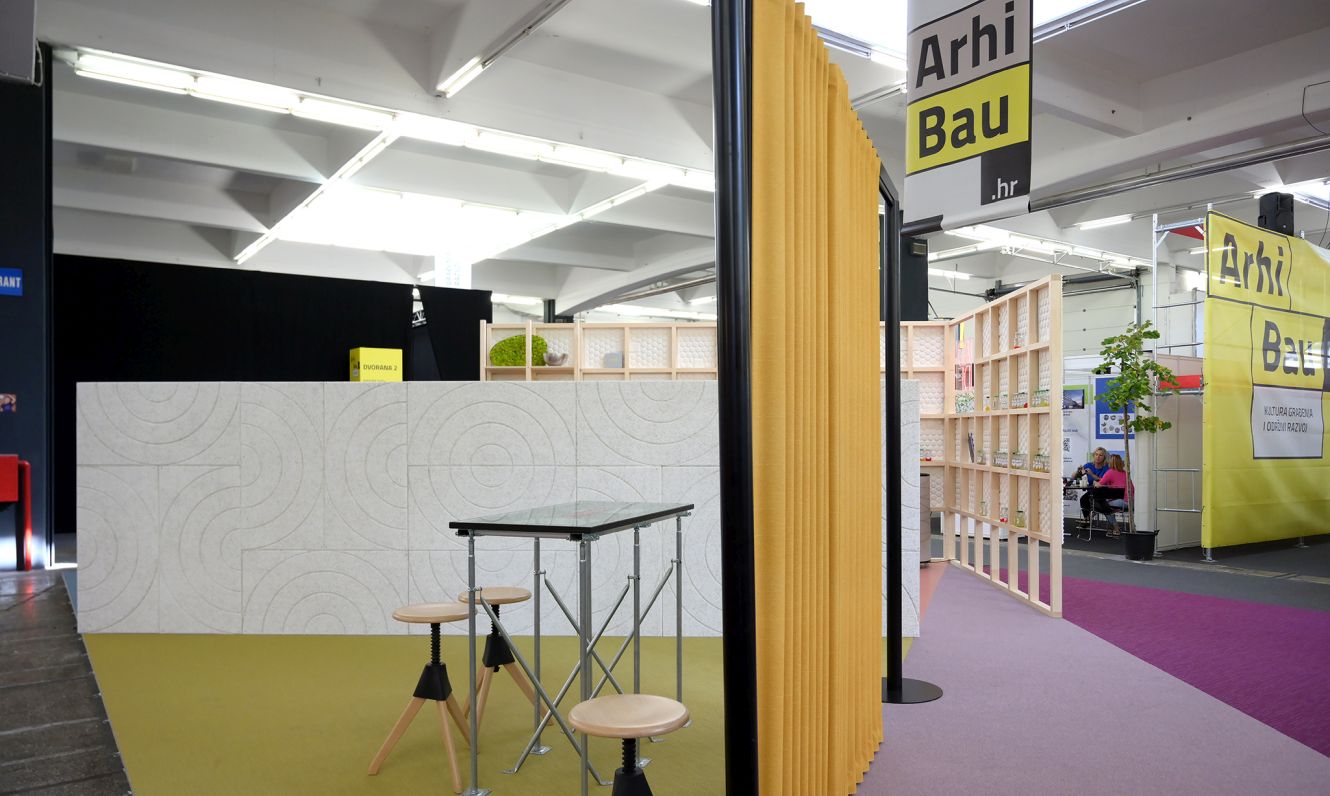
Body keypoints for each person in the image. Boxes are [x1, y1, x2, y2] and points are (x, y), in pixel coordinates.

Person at [1096, 455, 1134, 535]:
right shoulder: (1125, 473)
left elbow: (1099, 485)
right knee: (1105, 504)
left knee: (1103, 505)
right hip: (1131, 502)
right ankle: (1112, 526)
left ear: (1111, 462)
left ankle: (1116, 527)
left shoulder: (1110, 472)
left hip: (1122, 502)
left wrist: (1095, 483)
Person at [1074, 447, 1110, 520]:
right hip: (1092, 491)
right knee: (1083, 499)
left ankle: (1089, 518)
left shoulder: (1107, 467)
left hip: (1103, 491)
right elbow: (1074, 477)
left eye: (1100, 455)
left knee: (1094, 501)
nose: (1098, 457)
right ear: (1094, 455)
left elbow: (1104, 481)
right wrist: (1078, 472)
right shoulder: (1089, 465)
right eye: (1096, 454)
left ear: (1104, 457)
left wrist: (1091, 474)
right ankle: (1087, 519)